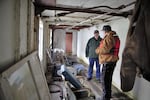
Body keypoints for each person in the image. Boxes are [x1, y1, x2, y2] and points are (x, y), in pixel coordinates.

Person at [96, 25, 120, 100]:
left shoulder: (109, 37)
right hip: (112, 60)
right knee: (108, 80)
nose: (103, 33)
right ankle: (107, 96)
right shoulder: (115, 37)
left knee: (104, 80)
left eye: (103, 31)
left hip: (108, 61)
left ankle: (105, 98)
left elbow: (105, 50)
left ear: (105, 31)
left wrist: (97, 50)